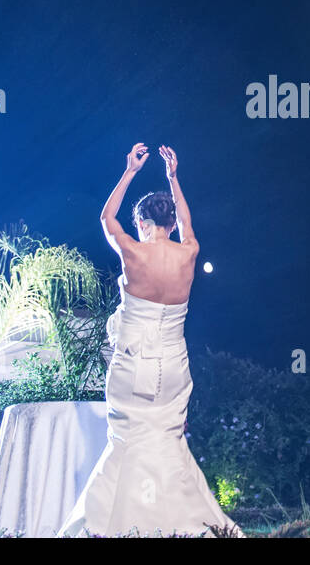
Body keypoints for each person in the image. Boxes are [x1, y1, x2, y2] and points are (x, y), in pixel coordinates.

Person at [58, 143, 242, 537]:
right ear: (172, 224)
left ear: (141, 222)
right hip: (173, 368)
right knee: (168, 441)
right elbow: (190, 224)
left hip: (131, 364)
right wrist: (173, 177)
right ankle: (182, 525)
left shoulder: (132, 252)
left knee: (127, 440)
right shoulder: (189, 252)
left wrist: (129, 171)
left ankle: (116, 526)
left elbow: (106, 217)